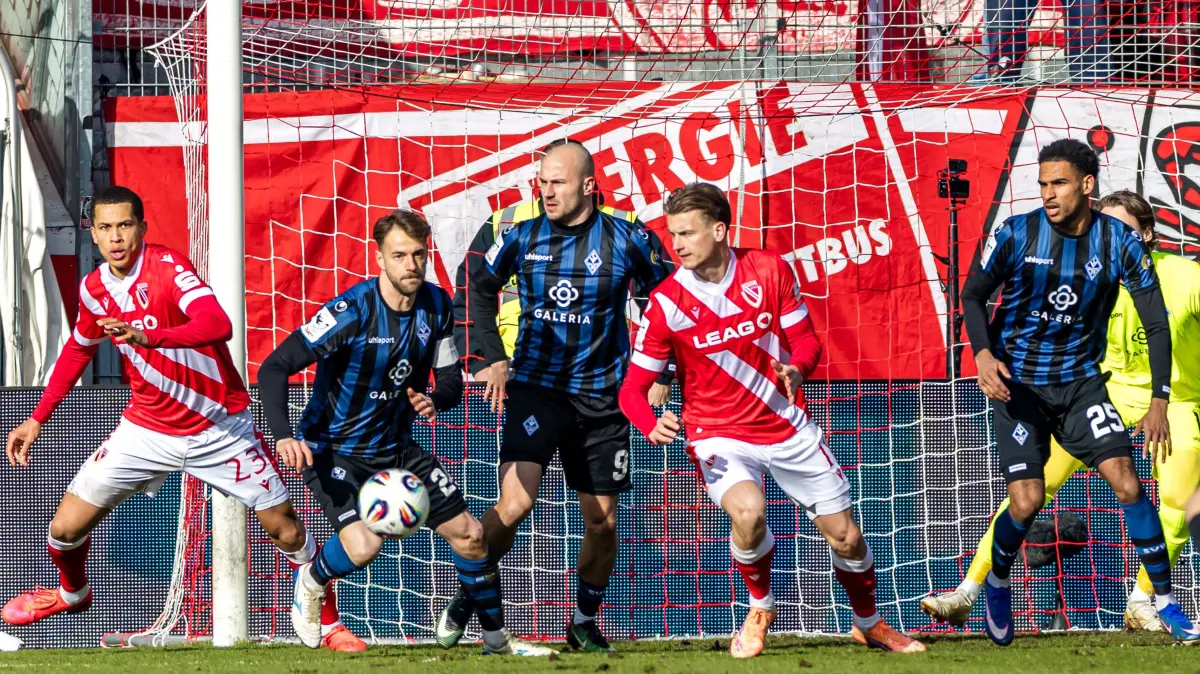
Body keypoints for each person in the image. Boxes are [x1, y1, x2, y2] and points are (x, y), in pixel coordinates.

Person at [618, 182, 926, 657]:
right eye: (673, 234)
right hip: (717, 433)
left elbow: (807, 342)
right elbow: (632, 390)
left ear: (720, 230)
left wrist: (796, 368)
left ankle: (868, 623)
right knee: (749, 513)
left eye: (688, 233)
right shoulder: (664, 303)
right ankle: (761, 607)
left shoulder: (768, 268)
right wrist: (647, 423)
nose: (676, 244)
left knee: (846, 538)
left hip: (785, 425)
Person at [2, 186, 317, 637]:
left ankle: (327, 621)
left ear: (142, 229)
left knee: (287, 532)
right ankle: (72, 593)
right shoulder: (94, 289)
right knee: (64, 531)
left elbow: (218, 325)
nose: (116, 238)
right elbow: (78, 348)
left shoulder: (168, 268)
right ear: (93, 234)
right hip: (145, 429)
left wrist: (154, 337)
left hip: (218, 428)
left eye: (125, 226)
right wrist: (37, 417)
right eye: (106, 228)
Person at [258, 209, 553, 656]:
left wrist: (438, 399)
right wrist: (282, 434)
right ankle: (312, 579)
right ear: (379, 258)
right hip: (334, 450)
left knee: (472, 536)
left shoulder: (436, 307)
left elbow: (451, 378)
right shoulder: (350, 312)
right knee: (364, 544)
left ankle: (496, 642)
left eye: (418, 254)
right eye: (400, 256)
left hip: (396, 449)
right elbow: (274, 367)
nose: (411, 265)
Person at [920, 190, 1200, 635]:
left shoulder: (1186, 277)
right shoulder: (1085, 270)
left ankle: (1146, 600)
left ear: (1147, 234)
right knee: (1032, 489)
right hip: (1101, 389)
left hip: (1176, 399)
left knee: (1177, 499)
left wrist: (1162, 401)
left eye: (1121, 228)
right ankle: (969, 592)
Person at [436, 139, 674, 653]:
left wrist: (663, 370)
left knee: (602, 521)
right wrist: (490, 357)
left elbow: (670, 297)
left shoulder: (628, 237)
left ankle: (584, 622)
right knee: (516, 504)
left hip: (602, 398)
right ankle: (468, 595)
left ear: (588, 185)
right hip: (536, 391)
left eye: (558, 182)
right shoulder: (520, 236)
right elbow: (477, 286)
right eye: (541, 181)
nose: (546, 191)